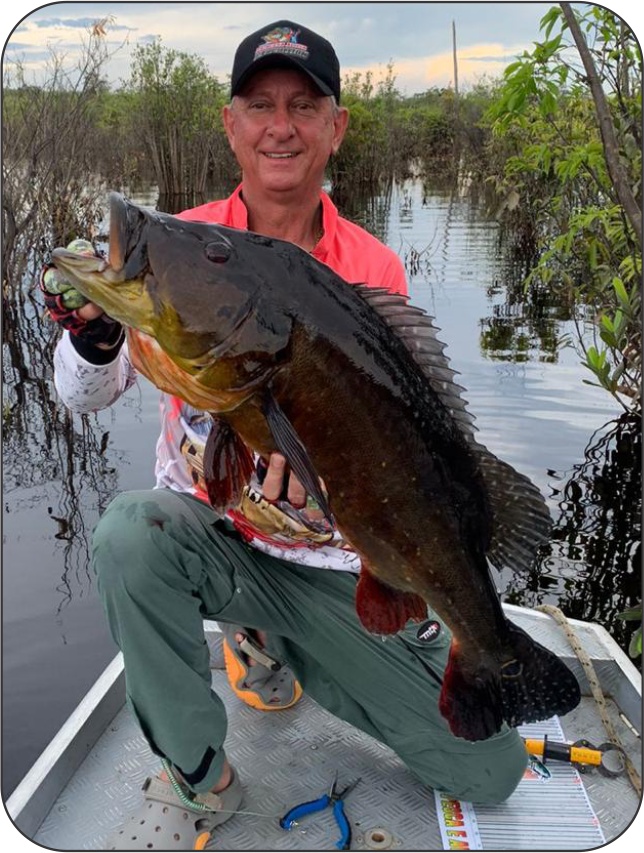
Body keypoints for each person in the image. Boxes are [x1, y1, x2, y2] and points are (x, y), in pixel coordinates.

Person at [44, 20, 528, 851]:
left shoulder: (371, 270)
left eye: (304, 107)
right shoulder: (184, 243)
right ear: (230, 125)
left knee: (491, 770)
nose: (281, 126)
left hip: (337, 570)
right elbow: (79, 394)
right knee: (130, 533)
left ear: (336, 128)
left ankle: (285, 641)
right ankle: (200, 768)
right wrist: (92, 336)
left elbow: (415, 445)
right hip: (214, 546)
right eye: (260, 105)